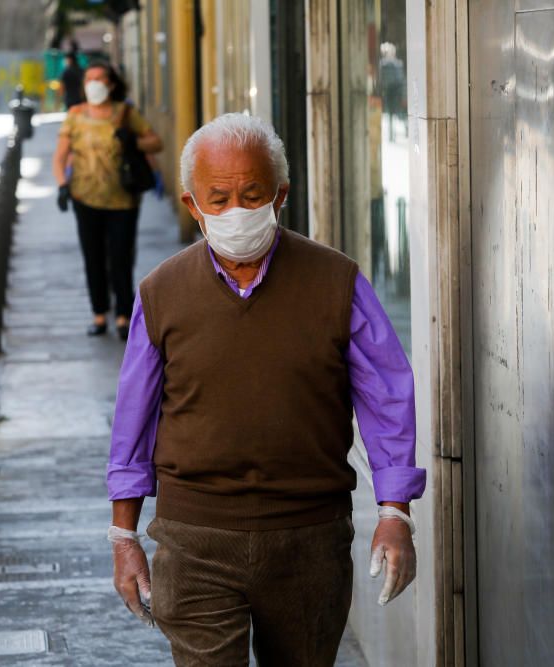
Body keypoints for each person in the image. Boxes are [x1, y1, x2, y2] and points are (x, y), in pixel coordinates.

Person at [107, 113, 426, 665]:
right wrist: (124, 537)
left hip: (309, 538)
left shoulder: (336, 281)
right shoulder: (161, 293)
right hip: (194, 540)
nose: (236, 210)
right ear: (192, 205)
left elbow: (387, 399)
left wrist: (395, 514)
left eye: (251, 194)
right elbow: (133, 421)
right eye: (219, 197)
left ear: (280, 196)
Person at [52, 60, 162, 340]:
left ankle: (124, 315)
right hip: (84, 197)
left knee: (121, 258)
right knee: (93, 257)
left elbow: (156, 142)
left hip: (123, 200)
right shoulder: (75, 114)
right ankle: (99, 313)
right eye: (89, 79)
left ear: (111, 84)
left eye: (99, 79)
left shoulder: (125, 113)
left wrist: (132, 142)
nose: (94, 84)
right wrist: (62, 185)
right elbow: (60, 155)